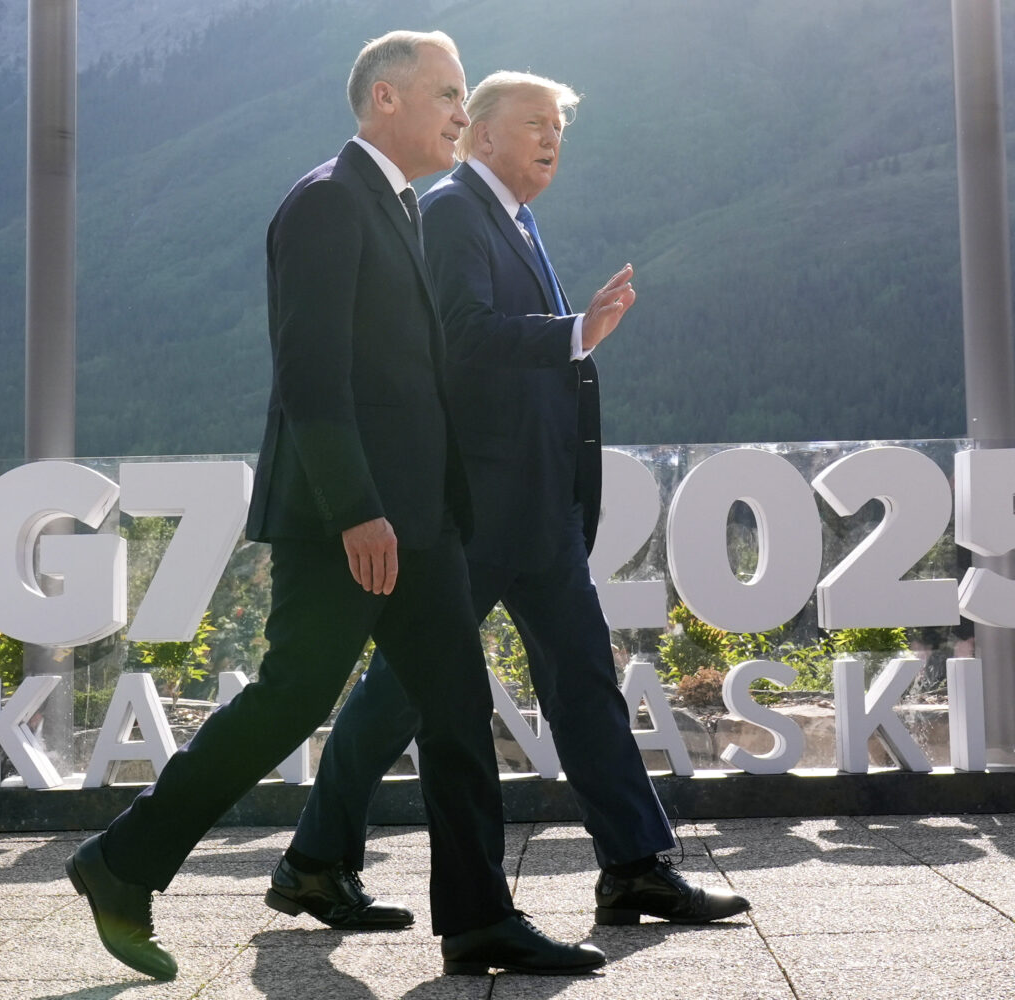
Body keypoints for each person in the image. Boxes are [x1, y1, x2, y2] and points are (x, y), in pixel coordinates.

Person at [63, 33, 605, 981]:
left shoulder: (397, 205)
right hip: (345, 523)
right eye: (447, 95)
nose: (460, 113)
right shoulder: (325, 202)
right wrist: (357, 510)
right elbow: (312, 378)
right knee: (290, 700)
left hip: (420, 524)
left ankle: (480, 919)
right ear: (385, 99)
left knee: (457, 710)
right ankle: (121, 861)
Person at [267, 70, 749, 933]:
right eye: (534, 122)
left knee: (584, 680)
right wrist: (575, 333)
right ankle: (313, 860)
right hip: (476, 509)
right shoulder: (454, 210)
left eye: (559, 125)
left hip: (537, 508)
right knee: (401, 692)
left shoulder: (515, 219)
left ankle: (635, 867)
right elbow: (459, 333)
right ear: (482, 133)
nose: (551, 137)